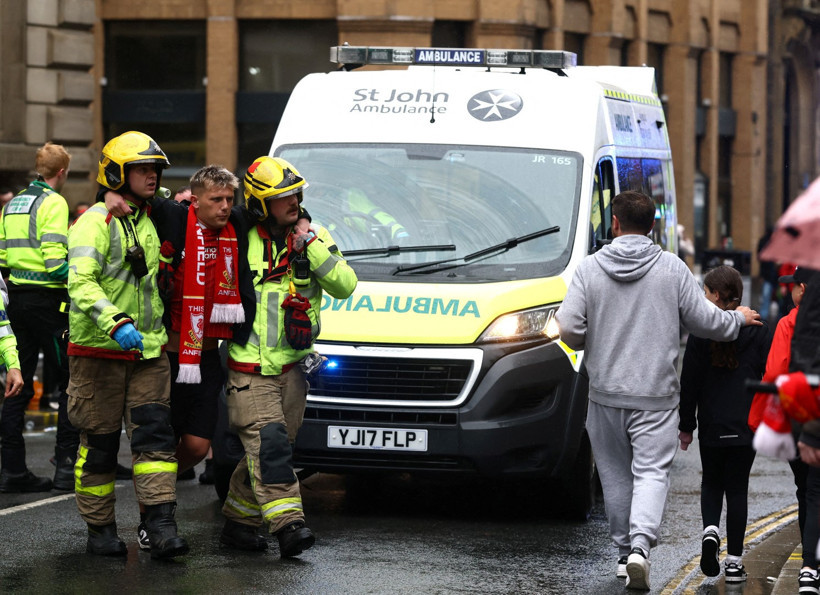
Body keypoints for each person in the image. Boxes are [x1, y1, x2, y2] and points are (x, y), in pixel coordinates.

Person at [555, 190, 762, 591]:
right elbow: (708, 322)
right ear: (652, 226)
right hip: (655, 397)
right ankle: (639, 549)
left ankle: (622, 554)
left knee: (615, 477)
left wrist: (587, 338)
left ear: (614, 223)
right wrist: (736, 317)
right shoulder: (672, 269)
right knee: (651, 474)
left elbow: (568, 328)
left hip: (606, 394)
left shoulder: (589, 270)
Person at [219, 156, 357, 557]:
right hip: (250, 368)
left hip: (294, 369)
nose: (294, 201)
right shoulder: (238, 233)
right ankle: (289, 526)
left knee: (267, 452)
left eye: (296, 194)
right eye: (283, 197)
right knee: (271, 447)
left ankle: (239, 524)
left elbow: (345, 284)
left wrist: (309, 245)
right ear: (261, 204)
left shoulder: (315, 234)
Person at [66, 130, 187, 559]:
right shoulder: (93, 222)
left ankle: (160, 527)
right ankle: (99, 529)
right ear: (118, 174)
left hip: (147, 353)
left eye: (155, 169)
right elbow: (79, 281)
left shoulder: (149, 216)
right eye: (141, 169)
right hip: (98, 353)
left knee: (155, 442)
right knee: (98, 447)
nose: (152, 175)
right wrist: (114, 322)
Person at [678, 265, 772, 584]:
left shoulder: (701, 332)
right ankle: (733, 563)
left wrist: (686, 424)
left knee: (712, 482)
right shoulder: (758, 328)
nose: (703, 298)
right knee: (738, 488)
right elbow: (769, 374)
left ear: (716, 295)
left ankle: (710, 533)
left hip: (713, 422)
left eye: (705, 292)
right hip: (746, 423)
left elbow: (688, 381)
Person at [0, 142, 80, 492]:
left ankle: (13, 470)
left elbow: (3, 259)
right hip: (50, 305)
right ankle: (65, 465)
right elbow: (54, 262)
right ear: (61, 173)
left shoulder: (12, 204)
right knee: (68, 381)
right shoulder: (54, 202)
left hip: (16, 301)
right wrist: (80, 274)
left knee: (17, 381)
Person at [748, 266, 817, 593]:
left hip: (797, 415)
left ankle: (809, 565)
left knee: (806, 490)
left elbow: (775, 370)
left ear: (802, 288)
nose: (789, 291)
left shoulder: (790, 322)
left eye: (792, 286)